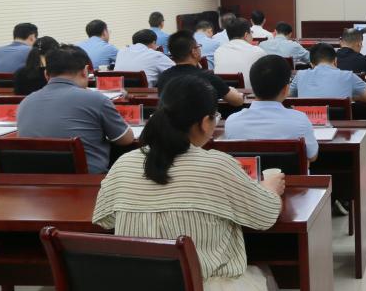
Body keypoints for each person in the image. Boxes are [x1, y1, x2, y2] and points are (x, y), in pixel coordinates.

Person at [93, 75, 283, 291]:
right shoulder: (217, 165)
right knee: (265, 275)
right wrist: (270, 188)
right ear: (204, 122)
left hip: (139, 284)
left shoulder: (124, 164)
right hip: (205, 285)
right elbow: (265, 216)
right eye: (215, 117)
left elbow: (104, 220)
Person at [17, 45, 135, 173]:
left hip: (34, 179)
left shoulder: (25, 102)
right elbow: (126, 139)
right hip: (88, 179)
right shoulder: (96, 100)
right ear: (85, 71)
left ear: (46, 74)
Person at [225, 55, 319, 161]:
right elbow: (312, 156)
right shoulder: (300, 121)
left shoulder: (232, 122)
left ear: (253, 89)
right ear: (286, 89)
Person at [156, 31, 244, 107]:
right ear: (194, 52)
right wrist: (232, 90)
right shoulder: (207, 77)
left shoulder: (163, 77)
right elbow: (237, 101)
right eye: (198, 46)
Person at [290, 44, 366, 105]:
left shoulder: (300, 75)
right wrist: (356, 97)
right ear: (335, 60)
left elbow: (286, 97)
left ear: (311, 64)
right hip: (341, 129)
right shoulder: (348, 76)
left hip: (307, 127)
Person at [214, 19, 268, 86]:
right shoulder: (258, 52)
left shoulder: (218, 52)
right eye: (251, 32)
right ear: (246, 35)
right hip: (250, 92)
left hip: (223, 92)